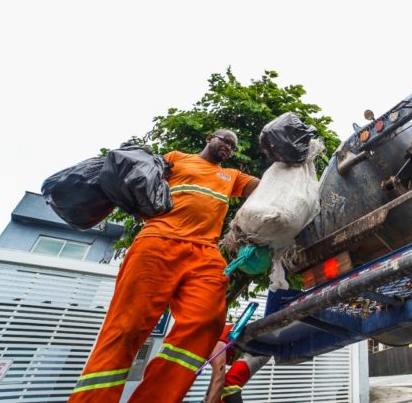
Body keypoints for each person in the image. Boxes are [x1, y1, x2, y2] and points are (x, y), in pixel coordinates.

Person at [69, 130, 260, 403]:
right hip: (158, 242)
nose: (228, 147)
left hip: (205, 252)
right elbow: (139, 177)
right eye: (225, 140)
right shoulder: (176, 158)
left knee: (206, 323)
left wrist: (291, 163)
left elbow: (266, 187)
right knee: (127, 328)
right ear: (209, 138)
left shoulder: (232, 176)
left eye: (233, 145)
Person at [204, 323, 270, 403]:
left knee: (229, 387)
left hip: (259, 347)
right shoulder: (205, 347)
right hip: (247, 347)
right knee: (218, 394)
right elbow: (215, 378)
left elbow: (218, 379)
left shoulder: (213, 345)